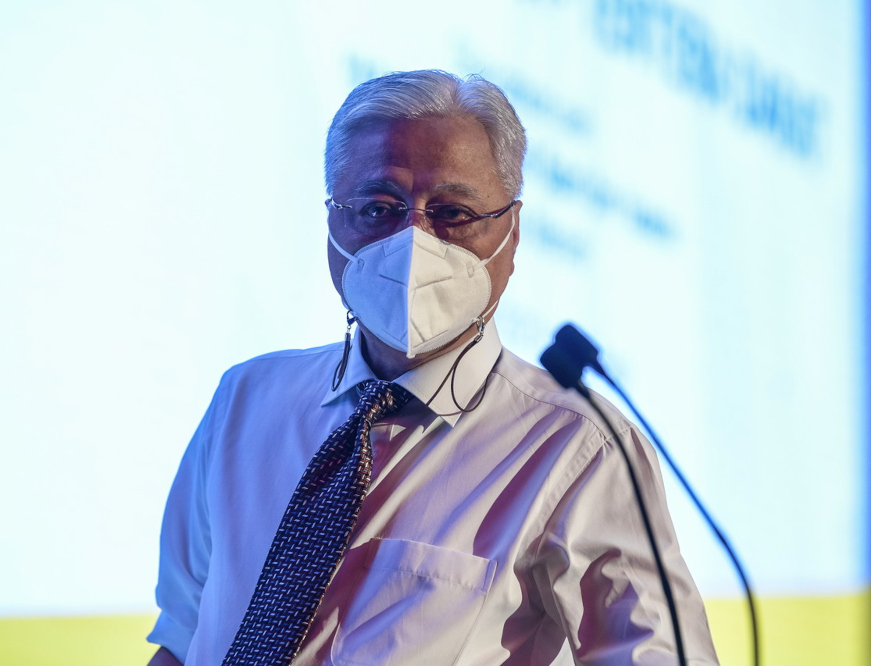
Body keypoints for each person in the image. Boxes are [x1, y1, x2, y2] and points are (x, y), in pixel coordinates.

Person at [147, 69, 719, 666]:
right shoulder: (248, 400)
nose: (413, 239)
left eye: (452, 211)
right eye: (377, 208)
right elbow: (185, 634)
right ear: (331, 223)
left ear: (513, 232)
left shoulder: (579, 449)